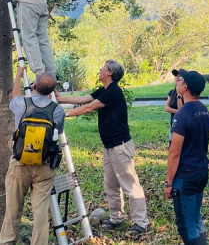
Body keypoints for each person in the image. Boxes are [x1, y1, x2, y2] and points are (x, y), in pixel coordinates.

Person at [58, 60, 150, 237]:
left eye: (103, 67)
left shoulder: (114, 91)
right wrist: (59, 98)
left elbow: (89, 107)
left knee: (130, 185)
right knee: (111, 184)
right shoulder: (104, 90)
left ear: (110, 73)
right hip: (109, 146)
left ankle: (141, 222)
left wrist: (64, 114)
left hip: (120, 146)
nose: (100, 69)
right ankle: (117, 218)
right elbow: (82, 99)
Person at [0, 68, 65, 245]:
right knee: (40, 212)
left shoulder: (22, 104)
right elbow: (58, 131)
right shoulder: (57, 110)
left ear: (34, 85)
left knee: (13, 209)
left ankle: (7, 241)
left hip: (19, 165)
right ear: (52, 91)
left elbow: (15, 95)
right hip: (44, 167)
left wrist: (19, 75)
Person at [165, 70, 209, 244]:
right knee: (195, 218)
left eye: (180, 80)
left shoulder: (182, 115)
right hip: (201, 170)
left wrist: (169, 183)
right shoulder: (204, 110)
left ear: (185, 87)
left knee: (186, 223)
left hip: (186, 175)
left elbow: (174, 153)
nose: (177, 82)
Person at [165, 69, 183, 144]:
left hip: (182, 125)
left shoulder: (185, 93)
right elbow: (166, 108)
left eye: (179, 76)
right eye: (176, 76)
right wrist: (177, 111)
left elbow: (181, 109)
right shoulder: (171, 92)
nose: (177, 77)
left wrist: (179, 94)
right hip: (173, 124)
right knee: (171, 145)